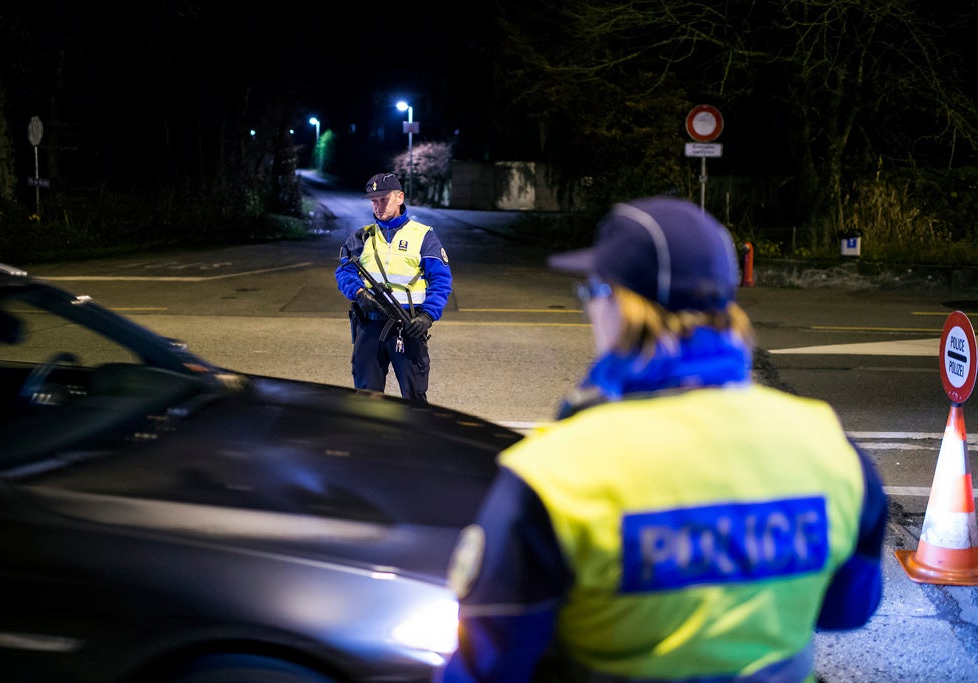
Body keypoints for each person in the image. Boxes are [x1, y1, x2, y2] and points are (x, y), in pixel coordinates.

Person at [437, 197, 888, 683]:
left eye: (593, 291)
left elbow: (487, 667)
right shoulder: (830, 446)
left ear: (618, 304)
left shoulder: (555, 474)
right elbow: (847, 610)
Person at [335, 172, 452, 402]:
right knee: (366, 398)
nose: (377, 206)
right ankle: (372, 439)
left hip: (408, 326)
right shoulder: (362, 237)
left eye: (383, 200)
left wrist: (428, 316)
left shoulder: (423, 236)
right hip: (369, 326)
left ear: (400, 198)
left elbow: (441, 280)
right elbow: (344, 271)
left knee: (415, 399)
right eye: (373, 201)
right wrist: (359, 293)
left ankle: (415, 439)